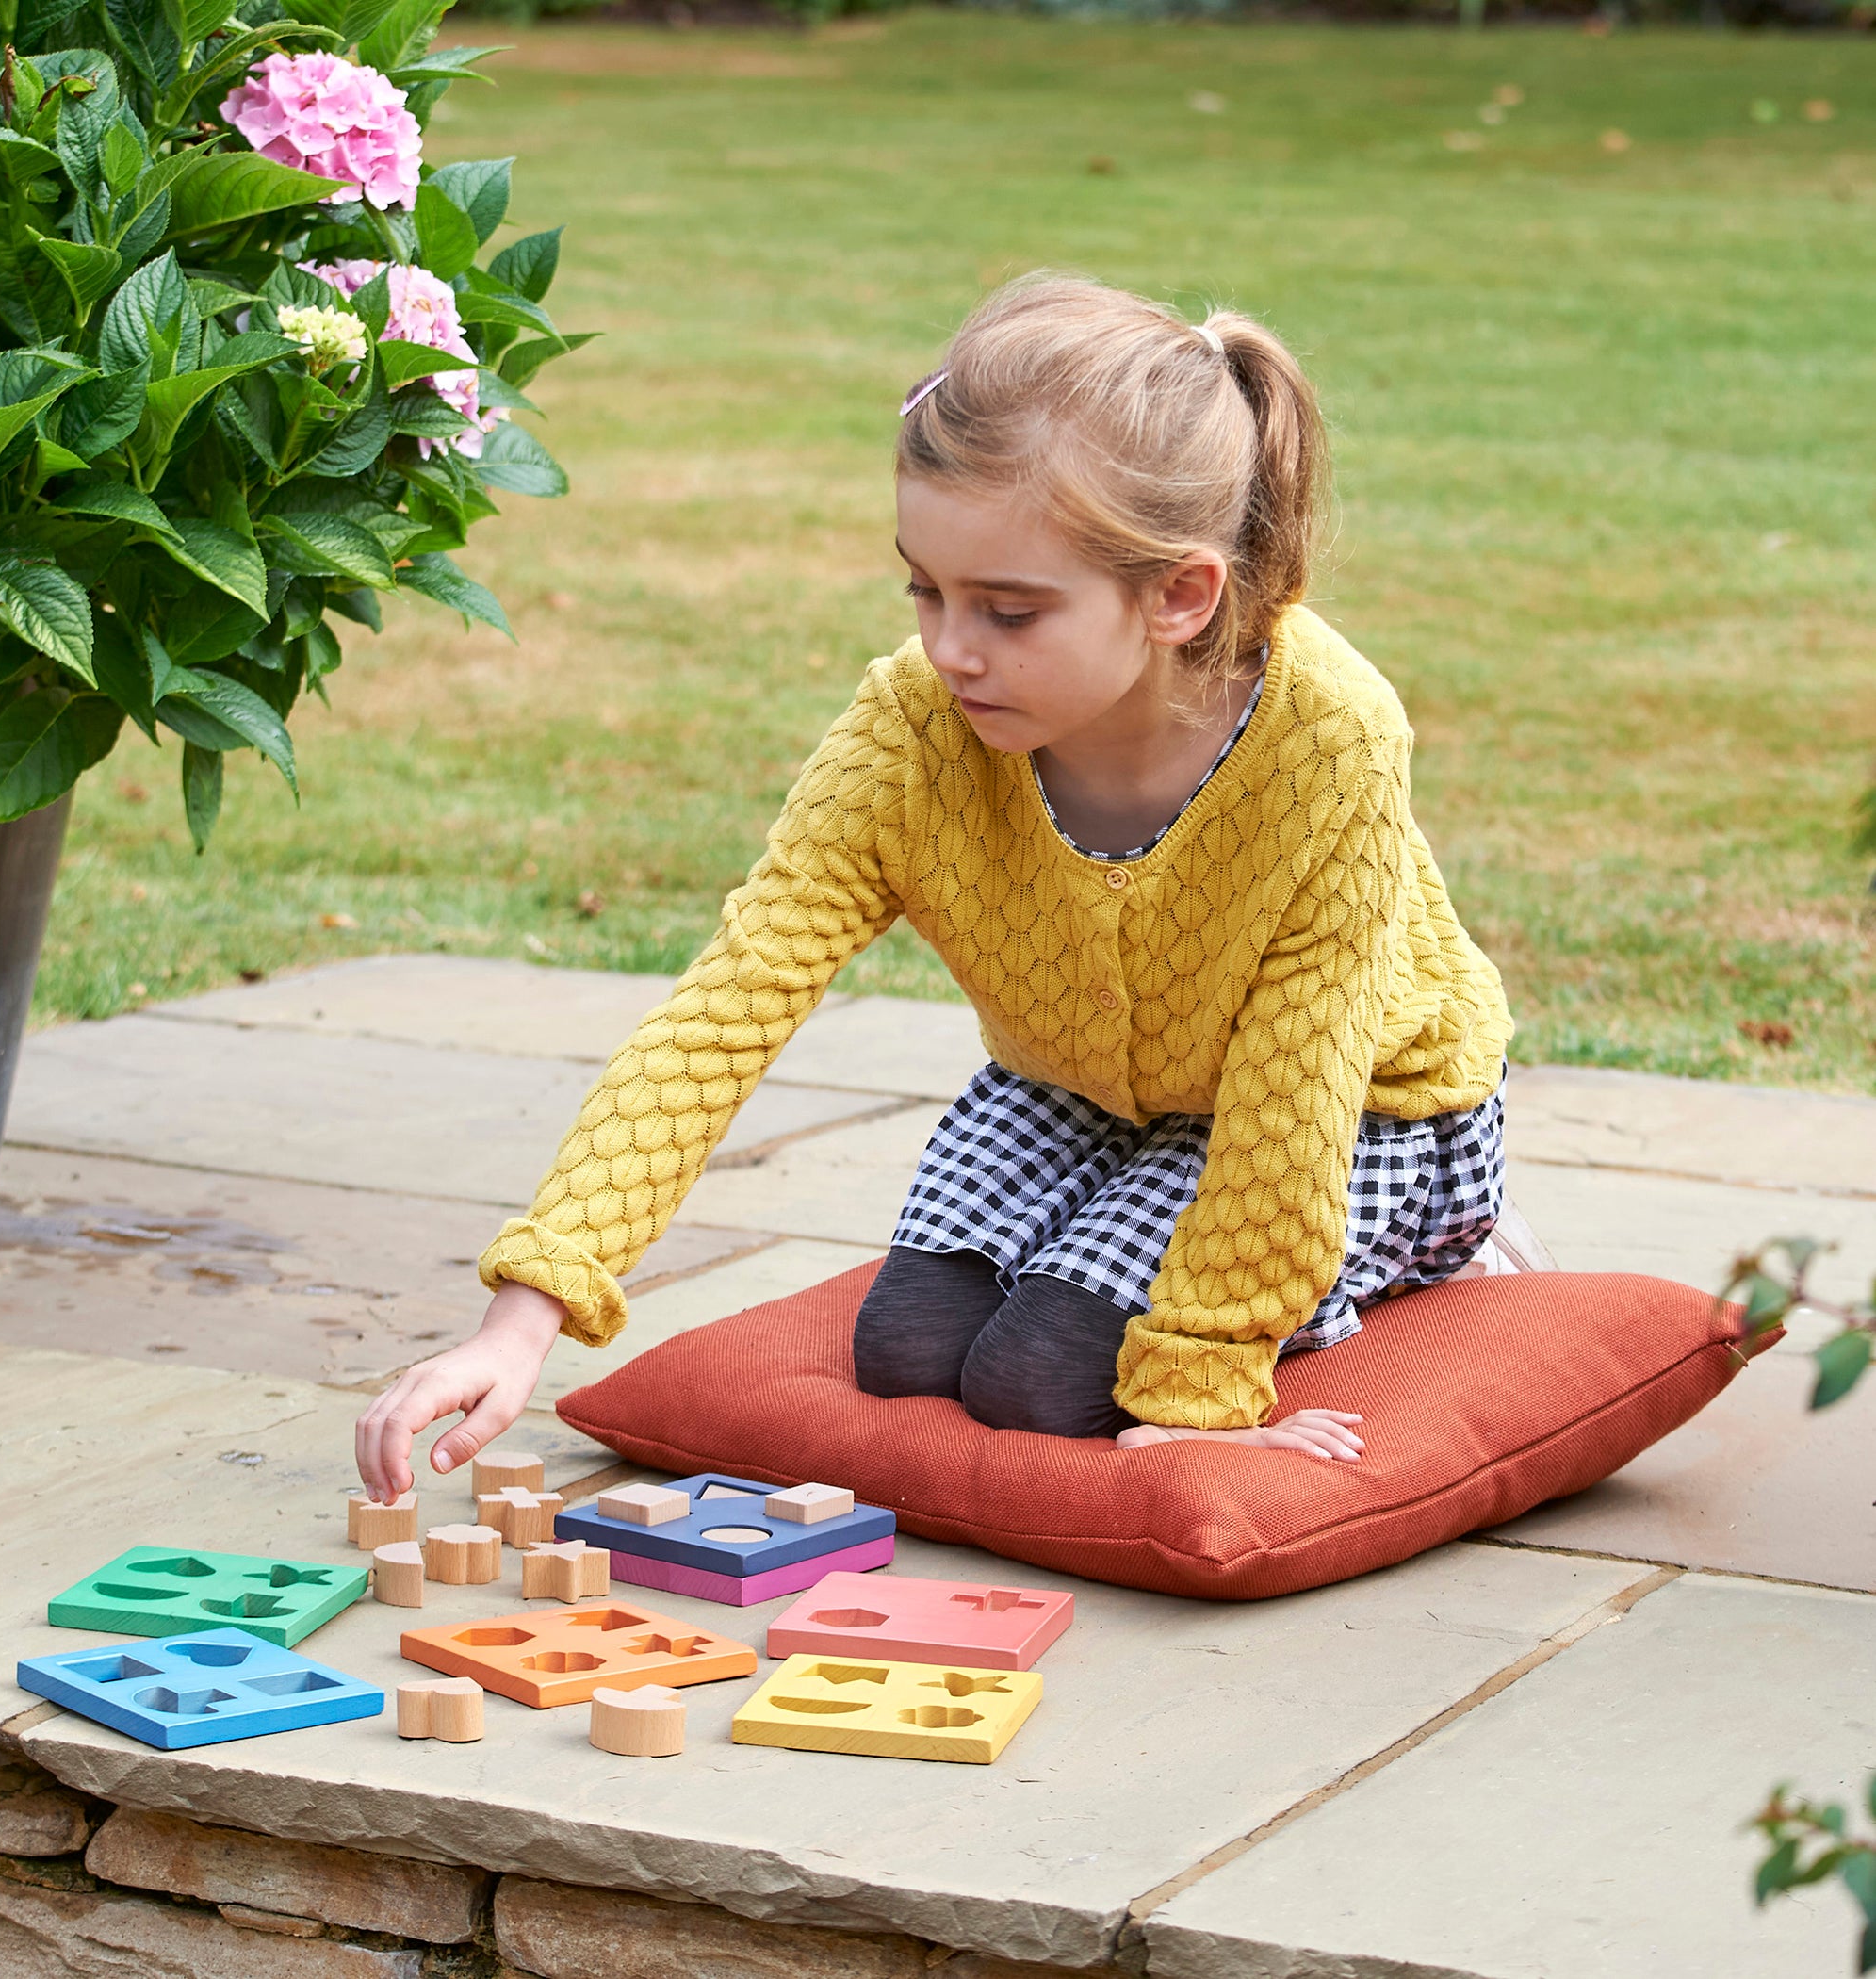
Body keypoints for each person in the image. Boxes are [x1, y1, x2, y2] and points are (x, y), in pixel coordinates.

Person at [354, 271, 1546, 1503]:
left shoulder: (1331, 741)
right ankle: (1113, 1241)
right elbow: (727, 1012)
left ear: (1179, 596)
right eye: (924, 589)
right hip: (1086, 1093)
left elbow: (1297, 1091)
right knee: (909, 1353)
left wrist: (1201, 1391)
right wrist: (523, 1316)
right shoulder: (911, 731)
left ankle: (1435, 1254)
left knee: (1040, 1382)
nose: (949, 650)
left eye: (1010, 611)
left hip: (1363, 1110)